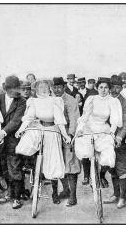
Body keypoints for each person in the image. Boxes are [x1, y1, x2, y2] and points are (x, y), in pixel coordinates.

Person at [15, 80, 71, 204]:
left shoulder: (55, 101)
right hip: (39, 130)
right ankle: (33, 182)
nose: (43, 89)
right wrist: (20, 130)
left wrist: (65, 135)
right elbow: (29, 117)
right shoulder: (34, 101)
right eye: (40, 87)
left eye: (45, 87)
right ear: (37, 90)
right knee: (27, 146)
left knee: (53, 163)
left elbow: (59, 120)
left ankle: (55, 193)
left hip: (52, 131)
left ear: (49, 88)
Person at [74, 77, 121, 169]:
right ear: (97, 88)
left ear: (109, 89)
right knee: (85, 148)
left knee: (108, 151)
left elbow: (115, 120)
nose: (103, 90)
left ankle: (102, 175)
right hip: (89, 127)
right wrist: (80, 129)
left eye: (106, 87)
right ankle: (87, 175)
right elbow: (85, 116)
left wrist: (112, 132)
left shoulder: (113, 101)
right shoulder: (92, 99)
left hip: (103, 128)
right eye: (101, 87)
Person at [102, 76, 126, 209]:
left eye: (118, 87)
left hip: (121, 140)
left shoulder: (124, 102)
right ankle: (115, 194)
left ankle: (123, 197)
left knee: (122, 167)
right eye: (112, 87)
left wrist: (119, 137)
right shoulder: (105, 100)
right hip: (107, 139)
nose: (115, 89)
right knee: (111, 167)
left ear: (121, 88)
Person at [0, 76, 26, 209]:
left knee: (15, 167)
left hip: (14, 139)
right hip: (0, 139)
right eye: (14, 88)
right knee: (4, 167)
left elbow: (16, 121)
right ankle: (9, 193)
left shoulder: (22, 101)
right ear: (6, 89)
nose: (17, 91)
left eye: (18, 88)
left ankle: (17, 198)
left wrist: (3, 131)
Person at [52, 77, 81, 206]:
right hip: (54, 135)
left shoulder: (70, 100)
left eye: (59, 87)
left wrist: (70, 135)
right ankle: (65, 189)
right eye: (54, 87)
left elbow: (74, 118)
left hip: (68, 136)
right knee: (57, 164)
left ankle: (73, 196)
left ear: (64, 87)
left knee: (71, 165)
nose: (56, 89)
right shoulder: (51, 99)